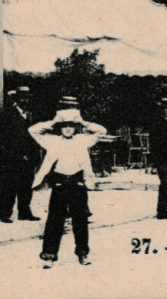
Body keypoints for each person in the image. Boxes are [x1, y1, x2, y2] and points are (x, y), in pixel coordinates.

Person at [29, 106, 106, 268]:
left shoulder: (83, 139)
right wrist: (53, 122)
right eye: (65, 126)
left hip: (78, 183)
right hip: (59, 183)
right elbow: (33, 130)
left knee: (80, 220)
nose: (68, 129)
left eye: (71, 125)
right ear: (60, 128)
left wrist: (83, 122)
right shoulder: (52, 140)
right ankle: (49, 256)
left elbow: (101, 131)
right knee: (54, 220)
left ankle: (82, 254)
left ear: (75, 127)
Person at [0, 86, 41, 223]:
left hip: (29, 158)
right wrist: (9, 155)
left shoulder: (31, 116)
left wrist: (35, 155)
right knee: (10, 186)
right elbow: (0, 138)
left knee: (27, 186)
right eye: (21, 97)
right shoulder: (7, 115)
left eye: (26, 97)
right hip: (13, 158)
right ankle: (5, 213)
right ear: (16, 99)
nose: (24, 100)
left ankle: (24, 212)